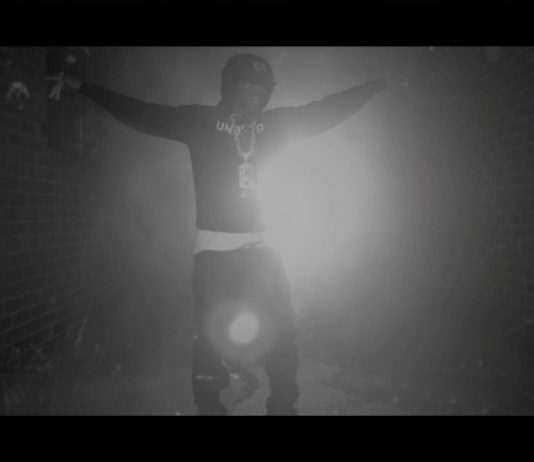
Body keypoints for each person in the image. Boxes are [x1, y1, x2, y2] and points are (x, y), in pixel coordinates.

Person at [48, 51, 389, 415]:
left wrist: (371, 88)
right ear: (231, 85)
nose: (259, 92)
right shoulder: (200, 121)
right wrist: (85, 88)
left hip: (265, 250)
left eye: (265, 86)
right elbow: (143, 114)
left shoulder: (274, 125)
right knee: (210, 339)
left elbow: (322, 112)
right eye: (251, 84)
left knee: (282, 335)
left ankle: (284, 407)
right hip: (215, 252)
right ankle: (209, 408)